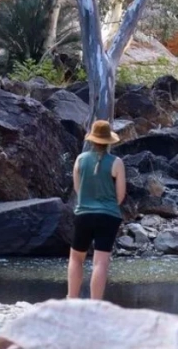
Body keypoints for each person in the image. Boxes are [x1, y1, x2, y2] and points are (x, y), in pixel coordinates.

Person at [67, 119, 126, 300]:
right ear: (109, 141)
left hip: (84, 213)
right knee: (100, 261)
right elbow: (120, 195)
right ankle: (95, 303)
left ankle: (71, 298)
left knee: (76, 258)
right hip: (108, 216)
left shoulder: (80, 160)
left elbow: (78, 189)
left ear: (91, 140)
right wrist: (106, 204)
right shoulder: (116, 163)